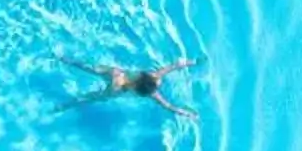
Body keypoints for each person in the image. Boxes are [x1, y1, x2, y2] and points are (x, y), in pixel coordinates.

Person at [59, 55, 198, 119]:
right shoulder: (152, 94)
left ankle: (65, 59)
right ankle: (65, 105)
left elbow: (174, 65)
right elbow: (169, 106)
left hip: (116, 75)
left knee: (89, 68)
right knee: (89, 98)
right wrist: (188, 114)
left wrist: (192, 62)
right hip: (115, 90)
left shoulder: (153, 75)